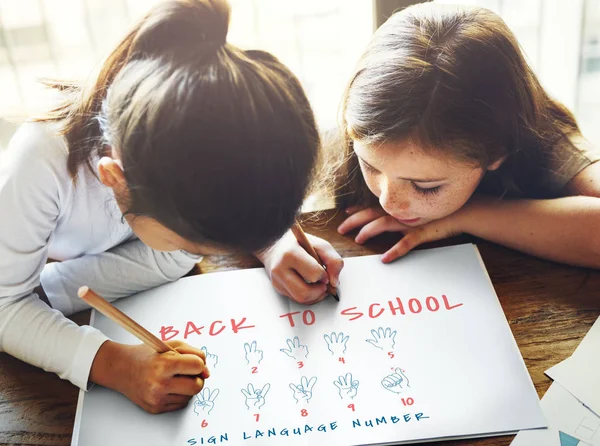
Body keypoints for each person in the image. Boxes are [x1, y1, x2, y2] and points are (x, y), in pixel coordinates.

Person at [0, 0, 342, 415]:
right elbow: (6, 306)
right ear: (115, 180)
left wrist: (271, 244)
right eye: (200, 245)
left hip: (82, 268)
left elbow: (229, 183)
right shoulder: (41, 161)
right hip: (21, 270)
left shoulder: (218, 118)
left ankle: (55, 290)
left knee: (173, 259)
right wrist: (113, 363)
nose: (212, 252)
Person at [336, 3, 600, 268]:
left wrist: (466, 215)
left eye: (426, 186)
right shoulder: (356, 130)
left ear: (497, 151)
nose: (388, 201)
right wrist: (291, 243)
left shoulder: (549, 144)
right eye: (370, 166)